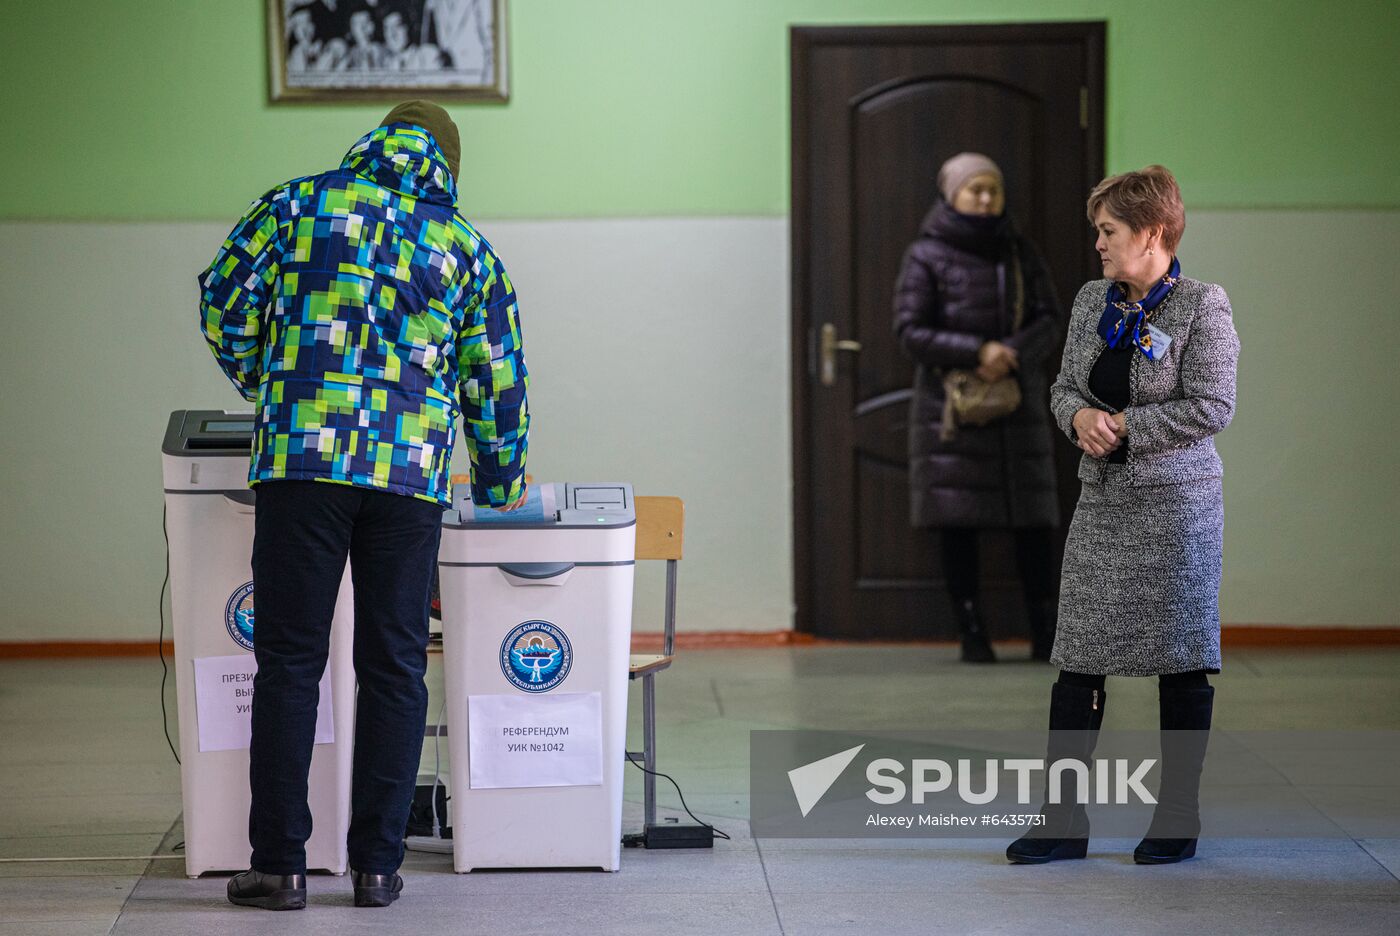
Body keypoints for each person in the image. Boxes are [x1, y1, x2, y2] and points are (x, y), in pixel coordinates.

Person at [198, 101, 529, 909]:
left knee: (289, 663)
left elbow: (222, 302)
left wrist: (271, 380)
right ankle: (379, 868)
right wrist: (497, 485)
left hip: (302, 461)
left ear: (373, 140)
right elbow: (497, 378)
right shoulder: (464, 246)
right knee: (394, 667)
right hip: (407, 475)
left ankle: (279, 867)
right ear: (447, 162)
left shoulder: (294, 205)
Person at [1007, 165, 1239, 865]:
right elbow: (1063, 386)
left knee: (1181, 662)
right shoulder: (1090, 302)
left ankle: (1176, 817)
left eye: (1108, 232)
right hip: (1104, 507)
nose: (1099, 245)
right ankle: (1062, 821)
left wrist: (1126, 426)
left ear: (1153, 233)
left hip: (1178, 509)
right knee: (1077, 660)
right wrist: (1078, 414)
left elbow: (1212, 406)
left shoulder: (1203, 306)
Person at [893, 153, 1063, 663]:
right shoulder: (925, 255)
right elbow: (909, 330)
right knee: (958, 526)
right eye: (975, 190)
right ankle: (972, 634)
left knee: (1032, 524)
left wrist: (1012, 354)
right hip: (954, 414)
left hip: (1017, 411)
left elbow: (1050, 318)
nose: (986, 199)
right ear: (951, 195)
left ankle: (1045, 633)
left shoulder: (1019, 250)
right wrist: (977, 351)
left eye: (994, 189)